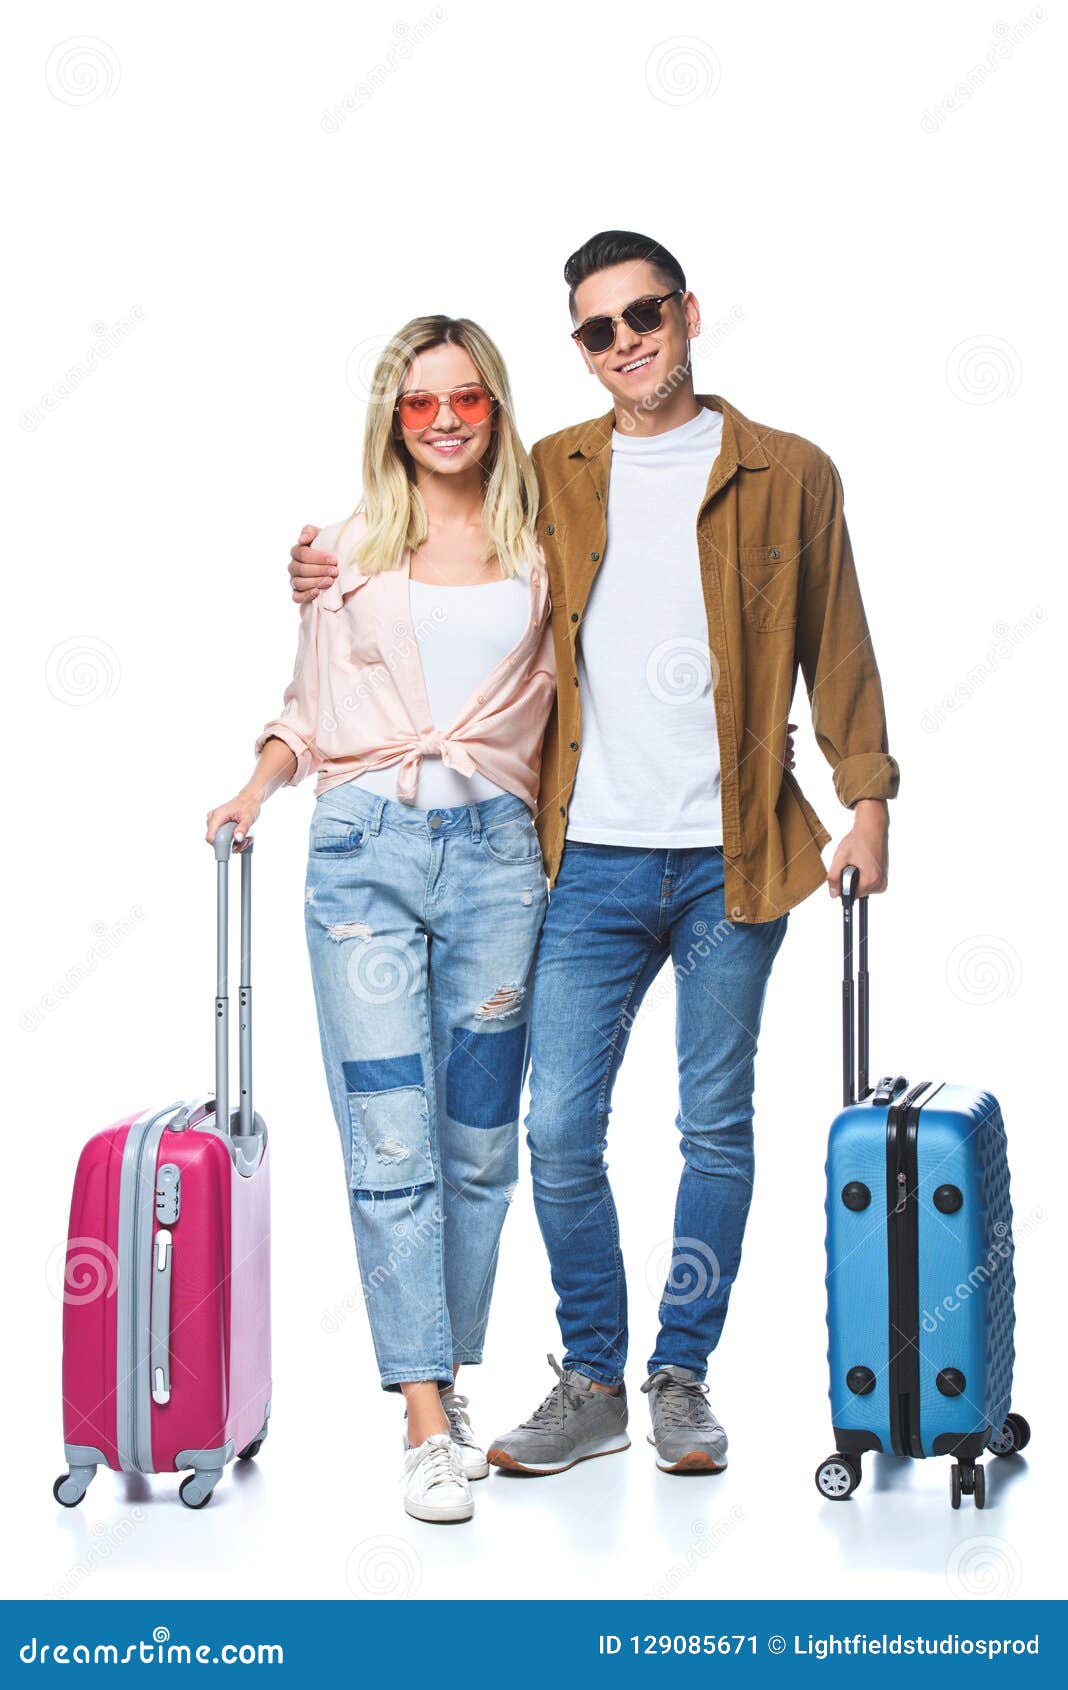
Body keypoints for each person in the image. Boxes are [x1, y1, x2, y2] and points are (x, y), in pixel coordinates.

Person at [286, 231, 898, 1480]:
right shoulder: (550, 471)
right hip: (582, 861)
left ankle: (681, 1375)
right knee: (558, 1132)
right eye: (598, 329)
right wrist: (328, 556)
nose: (626, 343)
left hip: (737, 858)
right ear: (580, 347)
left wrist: (868, 798)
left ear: (688, 313)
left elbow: (837, 640)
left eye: (644, 316)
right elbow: (437, 521)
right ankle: (594, 1377)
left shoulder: (790, 473)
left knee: (714, 1125)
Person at [208, 316, 554, 1522]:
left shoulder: (545, 546)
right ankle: (421, 1416)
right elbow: (306, 708)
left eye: (466, 398)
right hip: (364, 858)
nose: (445, 420)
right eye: (419, 402)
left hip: (501, 864)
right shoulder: (347, 550)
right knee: (391, 1139)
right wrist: (255, 785)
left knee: (480, 1144)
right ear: (392, 419)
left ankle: (447, 1376)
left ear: (495, 406)